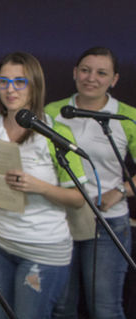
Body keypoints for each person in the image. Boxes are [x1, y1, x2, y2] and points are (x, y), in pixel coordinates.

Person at [0, 52, 86, 319]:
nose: (10, 89)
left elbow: (80, 198)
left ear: (35, 85)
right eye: (3, 81)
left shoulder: (56, 132)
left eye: (20, 81)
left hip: (42, 249)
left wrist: (38, 186)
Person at [47, 46, 136, 319]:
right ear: (75, 72)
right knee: (62, 307)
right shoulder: (52, 111)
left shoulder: (126, 117)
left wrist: (120, 191)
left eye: (101, 73)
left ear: (114, 79)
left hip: (107, 223)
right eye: (85, 70)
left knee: (104, 308)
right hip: (62, 221)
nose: (91, 78)